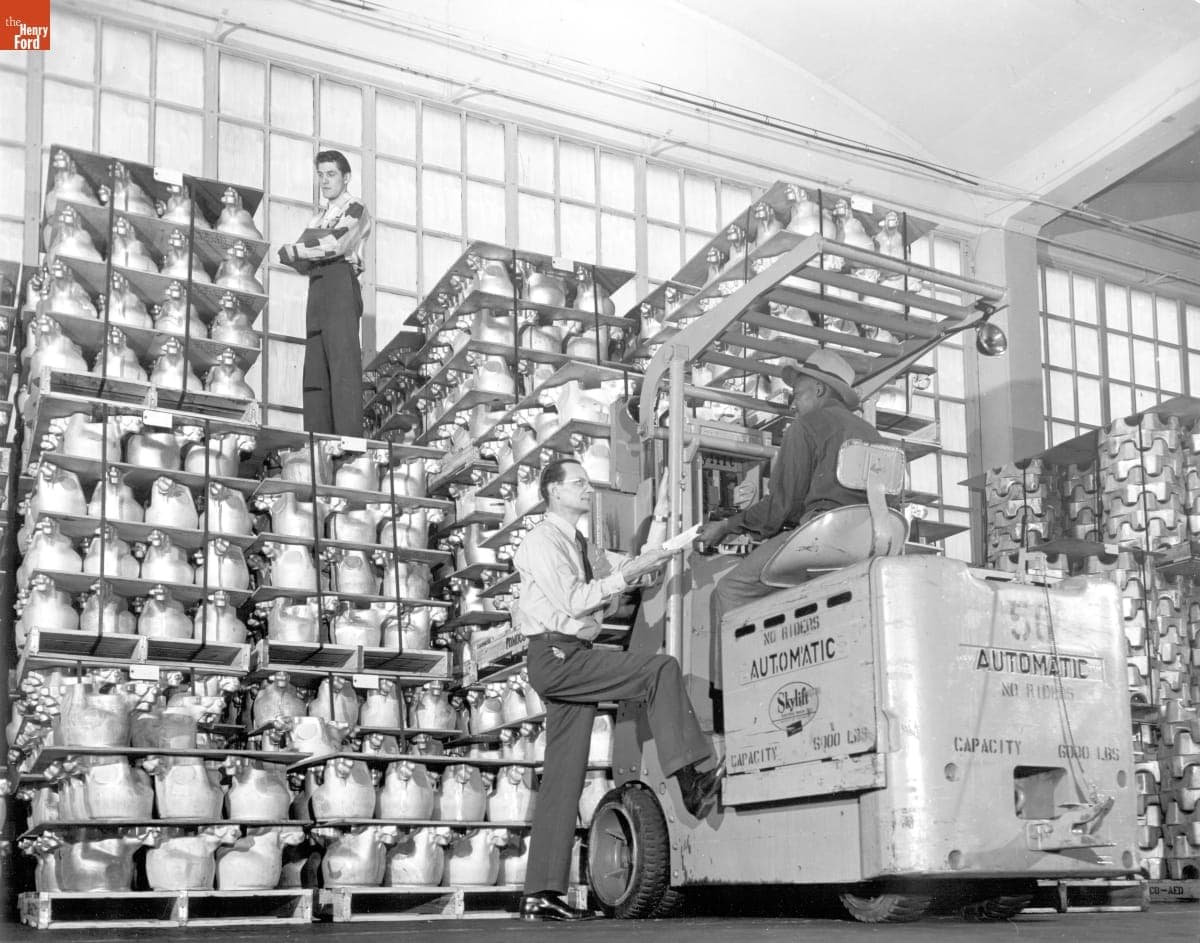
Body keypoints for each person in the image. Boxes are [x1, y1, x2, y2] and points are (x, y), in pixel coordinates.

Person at [514, 459, 723, 922]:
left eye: (588, 482)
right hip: (558, 655)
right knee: (659, 671)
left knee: (564, 777)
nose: (588, 489)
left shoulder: (581, 543)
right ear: (552, 492)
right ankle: (689, 777)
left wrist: (664, 526)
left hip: (567, 654)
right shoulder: (542, 542)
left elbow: (633, 569)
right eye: (578, 483)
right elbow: (575, 599)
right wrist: (628, 575)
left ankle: (539, 895)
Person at [698, 348, 886, 614]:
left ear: (819, 389)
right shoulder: (873, 433)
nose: (793, 404)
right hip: (873, 540)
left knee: (731, 590)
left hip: (825, 539)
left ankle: (753, 656)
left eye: (797, 394)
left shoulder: (807, 425)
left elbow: (781, 506)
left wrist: (728, 525)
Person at [277, 149, 373, 436]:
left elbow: (336, 243)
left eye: (331, 174)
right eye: (320, 175)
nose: (325, 180)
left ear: (346, 177)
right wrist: (300, 253)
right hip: (317, 287)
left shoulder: (355, 207)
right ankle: (317, 439)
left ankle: (348, 439)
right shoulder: (318, 218)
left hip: (340, 281)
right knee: (316, 368)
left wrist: (299, 251)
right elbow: (301, 259)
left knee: (342, 363)